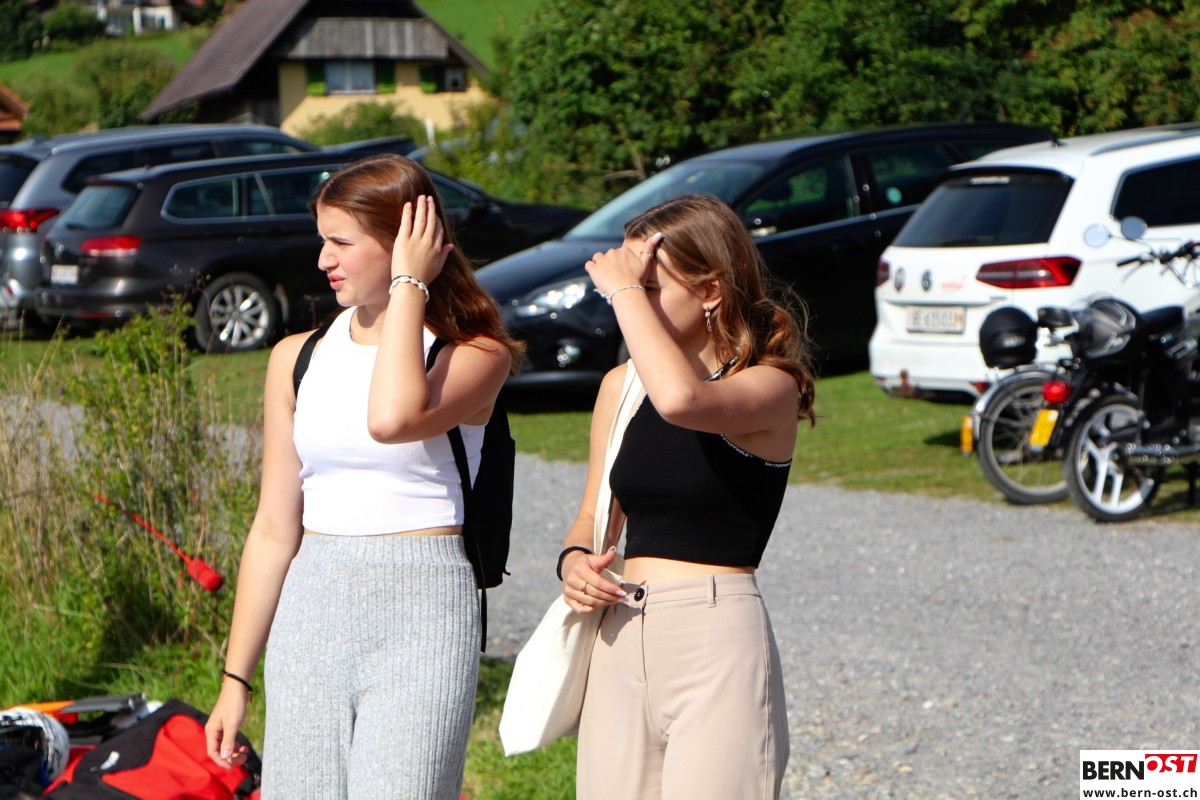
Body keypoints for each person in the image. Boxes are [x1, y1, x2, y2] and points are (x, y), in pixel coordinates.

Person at [203, 154, 520, 799]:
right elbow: (274, 529)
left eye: (341, 242)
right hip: (312, 608)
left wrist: (409, 286)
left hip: (424, 610)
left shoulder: (474, 353)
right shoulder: (296, 358)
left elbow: (393, 417)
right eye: (323, 240)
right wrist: (236, 680)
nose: (324, 259)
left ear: (406, 242)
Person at [558, 193, 816, 799]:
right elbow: (593, 516)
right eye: (631, 287)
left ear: (711, 291)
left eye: (650, 286)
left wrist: (624, 292)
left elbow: (683, 402)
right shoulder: (621, 387)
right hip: (620, 629)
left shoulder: (770, 385)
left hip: (714, 635)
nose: (631, 300)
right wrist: (574, 563)